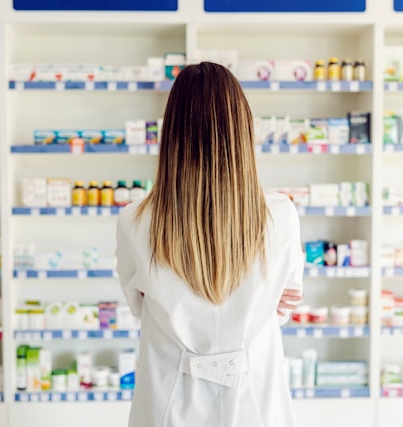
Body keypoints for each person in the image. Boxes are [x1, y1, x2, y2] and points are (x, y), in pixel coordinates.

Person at [115, 61, 304, 427]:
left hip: (169, 404)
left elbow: (140, 306)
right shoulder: (280, 215)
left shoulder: (135, 220)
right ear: (242, 129)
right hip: (256, 404)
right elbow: (284, 306)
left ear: (171, 132)